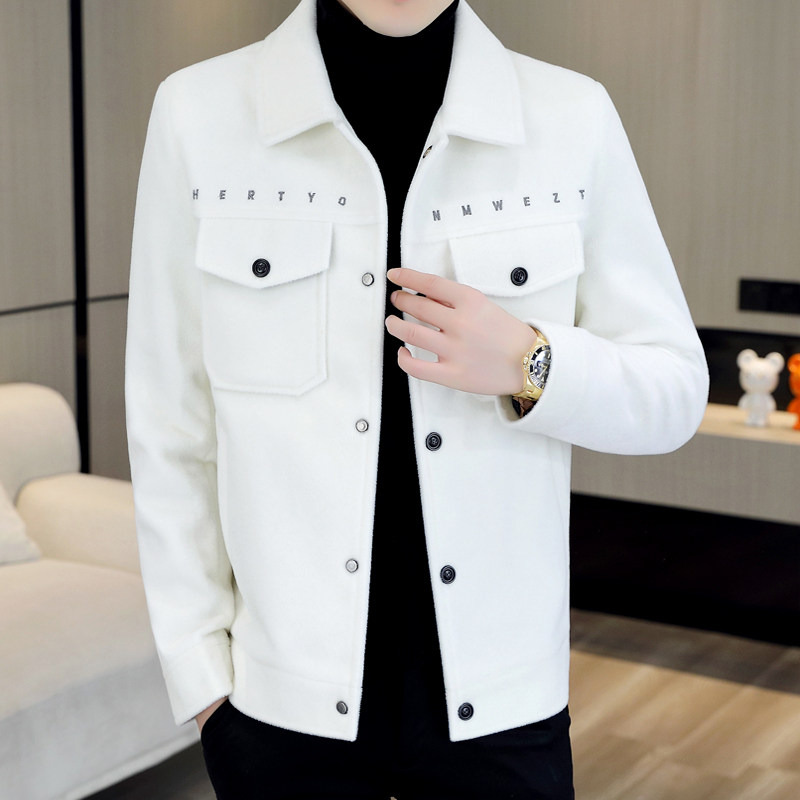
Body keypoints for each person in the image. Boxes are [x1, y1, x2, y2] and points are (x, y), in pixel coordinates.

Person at [124, 0, 709, 797]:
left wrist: (529, 362)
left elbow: (675, 389)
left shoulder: (572, 116)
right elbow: (171, 426)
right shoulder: (197, 113)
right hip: (278, 719)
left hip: (504, 716)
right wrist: (204, 687)